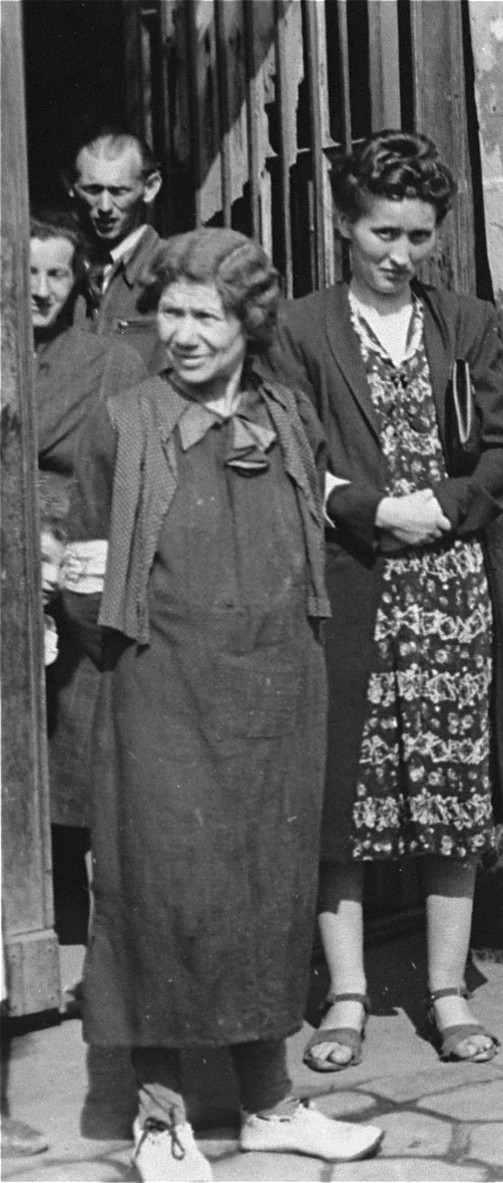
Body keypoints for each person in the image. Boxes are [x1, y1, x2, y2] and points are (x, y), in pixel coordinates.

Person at [60, 228, 384, 1181]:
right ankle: (159, 1119)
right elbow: (83, 578)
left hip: (276, 693)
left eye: (208, 314)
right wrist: (129, 645)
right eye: (172, 312)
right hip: (162, 693)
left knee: (265, 893)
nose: (186, 332)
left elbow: (311, 547)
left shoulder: (289, 413)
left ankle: (270, 1103)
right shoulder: (124, 420)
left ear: (249, 322)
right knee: (162, 895)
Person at [269, 129, 503, 1072]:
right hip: (355, 583)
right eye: (383, 232)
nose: (400, 255)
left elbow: (502, 446)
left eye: (419, 237)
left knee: (451, 799)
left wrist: (442, 511)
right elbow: (298, 458)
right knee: (350, 796)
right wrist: (377, 509)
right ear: (345, 223)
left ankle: (447, 990)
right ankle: (345, 996)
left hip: (451, 585)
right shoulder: (301, 331)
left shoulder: (466, 322)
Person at [29, 212, 146, 944]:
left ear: (80, 281)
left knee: (83, 743)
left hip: (70, 572)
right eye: (26, 271)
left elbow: (133, 474)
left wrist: (70, 545)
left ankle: (102, 934)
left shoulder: (109, 361)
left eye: (57, 273)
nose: (41, 289)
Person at [67, 130, 165, 366]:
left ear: (150, 187)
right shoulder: (60, 271)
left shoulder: (172, 270)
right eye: (92, 190)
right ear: (71, 186)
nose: (105, 206)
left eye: (119, 191)